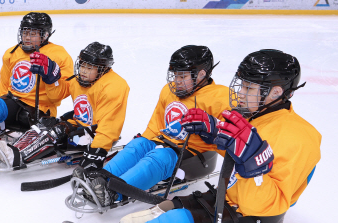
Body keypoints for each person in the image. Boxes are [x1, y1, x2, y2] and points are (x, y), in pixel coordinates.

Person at [56, 49, 321, 223]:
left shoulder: (299, 136)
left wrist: (252, 167)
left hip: (252, 215)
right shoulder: (252, 115)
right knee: (169, 202)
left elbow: (268, 203)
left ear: (275, 93)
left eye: (249, 88)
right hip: (228, 195)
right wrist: (214, 133)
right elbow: (228, 156)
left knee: (178, 222)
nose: (240, 93)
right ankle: (106, 181)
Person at [71, 45, 229, 207]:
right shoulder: (169, 91)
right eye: (175, 75)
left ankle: (113, 192)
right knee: (138, 145)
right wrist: (144, 142)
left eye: (183, 76)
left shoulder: (221, 97)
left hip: (195, 155)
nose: (177, 81)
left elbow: (233, 141)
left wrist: (212, 128)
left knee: (160, 157)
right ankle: (101, 176)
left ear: (201, 74)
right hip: (166, 143)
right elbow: (155, 126)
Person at [0, 12, 73, 163]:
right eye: (25, 32)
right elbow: (4, 87)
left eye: (33, 33)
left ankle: (13, 152)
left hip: (40, 112)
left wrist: (51, 77)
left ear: (45, 35)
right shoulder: (11, 53)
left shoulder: (59, 55)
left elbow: (60, 95)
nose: (27, 37)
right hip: (14, 105)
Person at [0, 42, 129, 169]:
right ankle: (13, 148)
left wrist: (97, 151)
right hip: (80, 126)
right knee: (45, 122)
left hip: (97, 134)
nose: (83, 71)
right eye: (82, 65)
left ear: (102, 70)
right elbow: (57, 94)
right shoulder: (79, 80)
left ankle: (17, 158)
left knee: (57, 131)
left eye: (90, 68)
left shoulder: (113, 86)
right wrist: (51, 77)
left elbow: (110, 125)